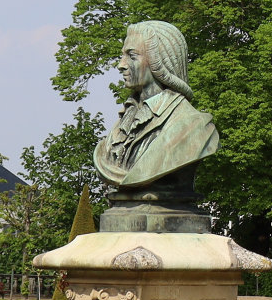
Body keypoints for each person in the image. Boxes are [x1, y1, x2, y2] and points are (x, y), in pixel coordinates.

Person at [93, 20, 219, 191]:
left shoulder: (194, 126)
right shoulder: (122, 123)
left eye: (132, 56)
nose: (121, 65)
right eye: (122, 55)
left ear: (158, 62)